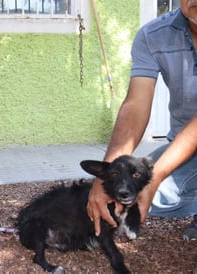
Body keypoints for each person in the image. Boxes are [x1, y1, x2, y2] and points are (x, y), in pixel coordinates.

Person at [87, 0, 197, 241]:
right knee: (131, 190)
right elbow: (135, 106)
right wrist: (107, 174)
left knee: (150, 182)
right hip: (187, 152)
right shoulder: (153, 36)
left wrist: (155, 177)